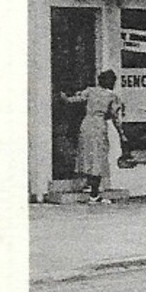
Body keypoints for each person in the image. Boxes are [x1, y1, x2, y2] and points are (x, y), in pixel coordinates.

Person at [59, 69, 126, 202]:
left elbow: (72, 100)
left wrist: (64, 96)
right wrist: (122, 134)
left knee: (86, 153)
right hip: (99, 126)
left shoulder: (90, 91)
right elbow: (115, 118)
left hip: (86, 124)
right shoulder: (112, 96)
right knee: (99, 156)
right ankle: (94, 194)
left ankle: (88, 184)